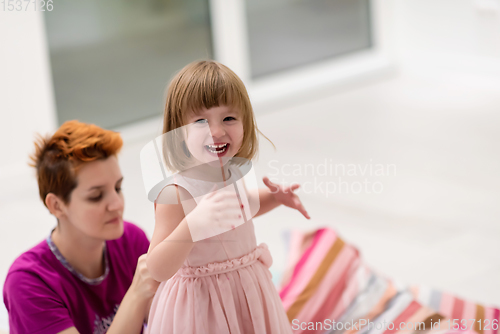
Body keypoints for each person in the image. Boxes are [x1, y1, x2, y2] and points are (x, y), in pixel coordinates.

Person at [145, 60, 311, 333]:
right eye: (200, 121)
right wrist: (193, 226)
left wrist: (274, 198)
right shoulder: (174, 193)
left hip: (247, 291)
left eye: (229, 118)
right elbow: (157, 268)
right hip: (202, 307)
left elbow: (240, 207)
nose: (217, 131)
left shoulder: (230, 173)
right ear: (178, 131)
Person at [2, 120, 160, 334]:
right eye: (96, 196)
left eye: (118, 187)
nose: (117, 204)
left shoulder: (131, 239)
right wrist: (137, 294)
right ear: (57, 206)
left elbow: (170, 320)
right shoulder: (27, 282)